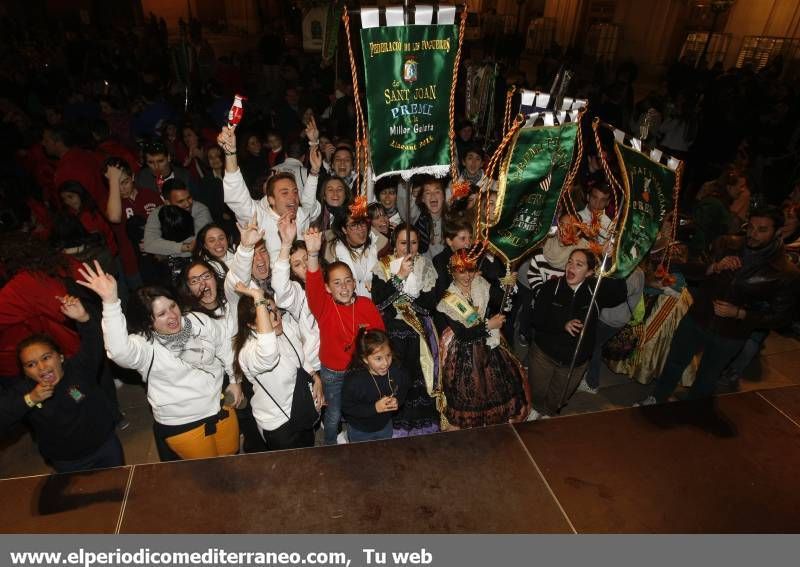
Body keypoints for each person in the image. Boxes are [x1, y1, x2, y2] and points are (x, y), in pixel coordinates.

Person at [78, 261, 243, 461]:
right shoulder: (145, 345)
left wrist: (235, 381)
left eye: (172, 306)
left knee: (232, 457)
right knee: (208, 474)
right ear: (148, 320)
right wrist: (111, 302)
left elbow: (225, 345)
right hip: (186, 425)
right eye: (161, 314)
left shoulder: (198, 320)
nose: (172, 315)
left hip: (222, 407)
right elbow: (119, 351)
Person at [639, 207, 799, 405]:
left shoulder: (784, 272)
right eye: (751, 227)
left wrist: (740, 313)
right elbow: (685, 268)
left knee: (708, 376)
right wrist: (713, 267)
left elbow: (781, 317)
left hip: (731, 334)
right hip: (698, 318)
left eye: (762, 230)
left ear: (777, 232)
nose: (753, 234)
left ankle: (691, 410)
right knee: (674, 362)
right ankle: (657, 398)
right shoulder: (727, 243)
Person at [1, 296, 124, 473]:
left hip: (105, 448)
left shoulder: (79, 369)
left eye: (46, 358)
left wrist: (83, 318)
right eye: (31, 364)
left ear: (59, 357)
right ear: (25, 371)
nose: (42, 368)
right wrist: (30, 399)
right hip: (68, 463)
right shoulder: (25, 391)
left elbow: (94, 342)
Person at [304, 228, 385, 445]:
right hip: (333, 374)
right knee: (333, 416)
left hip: (361, 370)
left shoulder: (366, 305)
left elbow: (380, 338)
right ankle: (331, 447)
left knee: (360, 409)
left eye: (348, 280)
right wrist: (312, 253)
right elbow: (312, 285)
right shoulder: (324, 307)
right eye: (337, 283)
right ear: (328, 288)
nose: (344, 287)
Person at [528, 249, 628, 418]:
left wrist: (609, 260)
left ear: (589, 272)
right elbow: (536, 319)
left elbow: (620, 293)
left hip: (574, 362)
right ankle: (534, 411)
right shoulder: (551, 287)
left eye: (579, 264)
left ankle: (548, 416)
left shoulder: (595, 291)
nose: (571, 267)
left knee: (558, 397)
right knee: (536, 391)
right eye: (570, 262)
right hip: (544, 356)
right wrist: (562, 324)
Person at [435, 250, 529, 429]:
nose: (467, 276)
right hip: (465, 350)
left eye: (470, 270)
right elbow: (463, 333)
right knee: (472, 391)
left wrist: (509, 286)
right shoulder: (448, 299)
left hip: (489, 344)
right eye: (461, 271)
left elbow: (501, 301)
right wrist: (488, 325)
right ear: (452, 272)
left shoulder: (480, 283)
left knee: (496, 387)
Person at [232, 283, 323, 450]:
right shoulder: (249, 352)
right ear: (251, 325)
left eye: (276, 310)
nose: (278, 317)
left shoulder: (285, 327)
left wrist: (314, 376)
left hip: (301, 408)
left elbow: (300, 357)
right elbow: (269, 354)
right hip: (279, 425)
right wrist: (258, 298)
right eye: (268, 315)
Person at [371, 224, 441, 436]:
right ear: (394, 243)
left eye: (413, 242)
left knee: (418, 380)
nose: (408, 248)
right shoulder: (383, 265)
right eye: (403, 243)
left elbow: (430, 304)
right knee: (396, 378)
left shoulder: (425, 264)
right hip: (392, 334)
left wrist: (412, 297)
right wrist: (399, 276)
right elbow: (379, 301)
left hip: (418, 332)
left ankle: (421, 426)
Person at [218, 126, 321, 263]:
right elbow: (237, 196)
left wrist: (314, 171)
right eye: (284, 193)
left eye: (295, 192)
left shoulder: (301, 214)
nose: (293, 197)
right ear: (270, 199)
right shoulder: (259, 218)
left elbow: (308, 202)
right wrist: (230, 154)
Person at [342, 329, 410, 442]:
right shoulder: (354, 381)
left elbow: (404, 387)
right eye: (378, 358)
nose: (385, 363)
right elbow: (347, 408)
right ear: (365, 359)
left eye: (388, 355)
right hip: (360, 430)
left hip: (385, 426)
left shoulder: (397, 370)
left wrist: (398, 400)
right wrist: (374, 408)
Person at [142, 179, 213, 258]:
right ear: (167, 203)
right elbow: (149, 244)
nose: (187, 204)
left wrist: (163, 251)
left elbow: (198, 243)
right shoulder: (157, 213)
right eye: (180, 201)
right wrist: (184, 247)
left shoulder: (201, 210)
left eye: (189, 198)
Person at [324, 210, 386, 298]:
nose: (361, 229)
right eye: (354, 225)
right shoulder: (333, 253)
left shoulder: (379, 246)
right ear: (344, 229)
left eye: (362, 223)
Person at [414, 177, 448, 258]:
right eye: (428, 193)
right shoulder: (418, 220)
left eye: (437, 191)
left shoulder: (453, 221)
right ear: (422, 199)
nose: (433, 196)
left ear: (443, 196)